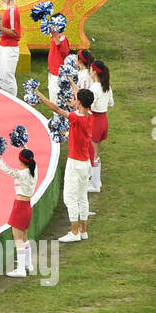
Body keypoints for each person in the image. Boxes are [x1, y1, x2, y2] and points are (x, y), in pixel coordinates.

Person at [38, 87, 95, 242]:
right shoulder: (90, 117)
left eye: (76, 99)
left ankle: (74, 232)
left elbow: (55, 109)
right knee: (83, 197)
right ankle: (83, 230)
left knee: (70, 198)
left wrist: (39, 94)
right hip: (85, 163)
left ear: (80, 102)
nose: (73, 101)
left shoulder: (76, 118)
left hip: (75, 163)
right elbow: (78, 133)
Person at [0, 148, 39, 277]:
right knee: (24, 237)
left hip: (20, 207)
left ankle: (21, 269)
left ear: (21, 161)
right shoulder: (34, 169)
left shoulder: (23, 174)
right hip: (27, 206)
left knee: (17, 239)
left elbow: (7, 169)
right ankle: (29, 265)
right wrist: (23, 145)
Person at [88, 60, 114, 193]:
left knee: (93, 153)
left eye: (91, 69)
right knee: (96, 152)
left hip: (95, 120)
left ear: (95, 72)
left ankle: (94, 184)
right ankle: (96, 180)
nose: (89, 71)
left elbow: (90, 105)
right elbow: (111, 103)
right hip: (104, 119)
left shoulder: (94, 87)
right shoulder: (107, 86)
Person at [0, 0, 21, 96]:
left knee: (7, 76)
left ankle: (12, 101)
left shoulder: (13, 10)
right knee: (0, 74)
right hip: (3, 46)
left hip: (10, 48)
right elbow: (7, 22)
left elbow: (15, 33)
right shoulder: (9, 8)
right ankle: (5, 97)